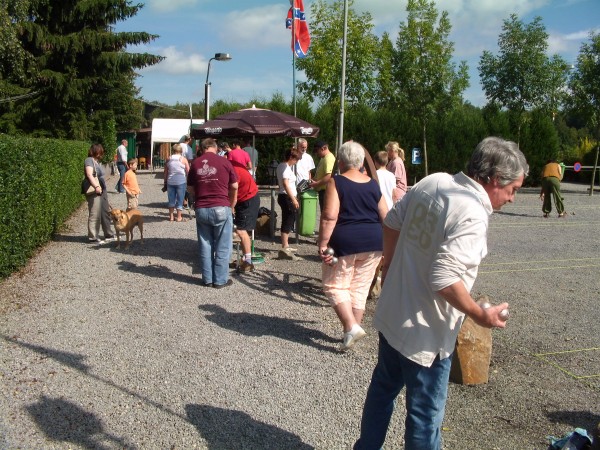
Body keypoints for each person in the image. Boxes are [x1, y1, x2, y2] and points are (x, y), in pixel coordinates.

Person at [354, 137, 529, 450]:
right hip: (426, 336)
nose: (514, 198)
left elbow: (392, 222)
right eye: (513, 189)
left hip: (395, 314)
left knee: (382, 390)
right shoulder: (474, 214)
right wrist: (480, 314)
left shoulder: (434, 181)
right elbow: (443, 277)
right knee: (424, 418)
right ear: (493, 180)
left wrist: (391, 267)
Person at [318, 141, 388, 351]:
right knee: (359, 287)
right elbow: (386, 216)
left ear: (340, 161)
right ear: (360, 162)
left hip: (345, 242)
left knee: (334, 285)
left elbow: (329, 216)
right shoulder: (372, 184)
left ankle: (350, 326)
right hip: (374, 242)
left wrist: (322, 243)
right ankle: (352, 332)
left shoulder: (336, 182)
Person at [188, 138, 238, 288]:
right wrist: (232, 203)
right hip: (222, 206)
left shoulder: (195, 163)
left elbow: (190, 188)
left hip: (202, 208)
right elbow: (234, 185)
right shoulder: (225, 162)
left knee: (205, 244)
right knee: (223, 245)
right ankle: (220, 280)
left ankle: (207, 279)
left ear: (202, 149)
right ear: (215, 148)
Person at [84, 144, 116, 244]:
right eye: (99, 151)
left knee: (104, 211)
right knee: (95, 213)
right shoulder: (89, 160)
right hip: (94, 190)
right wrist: (97, 187)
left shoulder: (96, 161)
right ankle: (93, 237)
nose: (101, 154)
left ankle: (108, 234)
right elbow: (89, 174)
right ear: (95, 151)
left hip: (102, 189)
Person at [232, 162, 260, 272]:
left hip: (248, 199)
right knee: (240, 229)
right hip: (244, 198)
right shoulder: (233, 167)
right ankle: (246, 258)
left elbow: (234, 188)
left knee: (241, 230)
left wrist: (231, 205)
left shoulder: (234, 170)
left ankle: (248, 261)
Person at [276, 147, 301, 260]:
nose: (296, 162)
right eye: (296, 159)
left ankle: (285, 245)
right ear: (291, 157)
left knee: (289, 219)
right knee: (288, 219)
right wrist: (294, 199)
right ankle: (284, 246)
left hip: (284, 196)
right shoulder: (285, 167)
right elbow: (286, 184)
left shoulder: (282, 166)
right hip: (287, 196)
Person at [164, 143, 190, 222]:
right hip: (181, 181)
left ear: (173, 150)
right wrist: (188, 181)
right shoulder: (183, 159)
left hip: (170, 181)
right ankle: (179, 217)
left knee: (171, 199)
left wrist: (165, 181)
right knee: (180, 199)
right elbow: (188, 171)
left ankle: (171, 217)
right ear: (181, 151)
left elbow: (166, 171)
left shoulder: (169, 158)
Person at [310, 141, 335, 211]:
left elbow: (329, 176)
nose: (316, 153)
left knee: (325, 213)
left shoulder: (328, 159)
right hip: (322, 191)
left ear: (323, 148)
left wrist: (316, 183)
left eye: (317, 150)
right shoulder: (323, 158)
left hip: (326, 191)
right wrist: (313, 180)